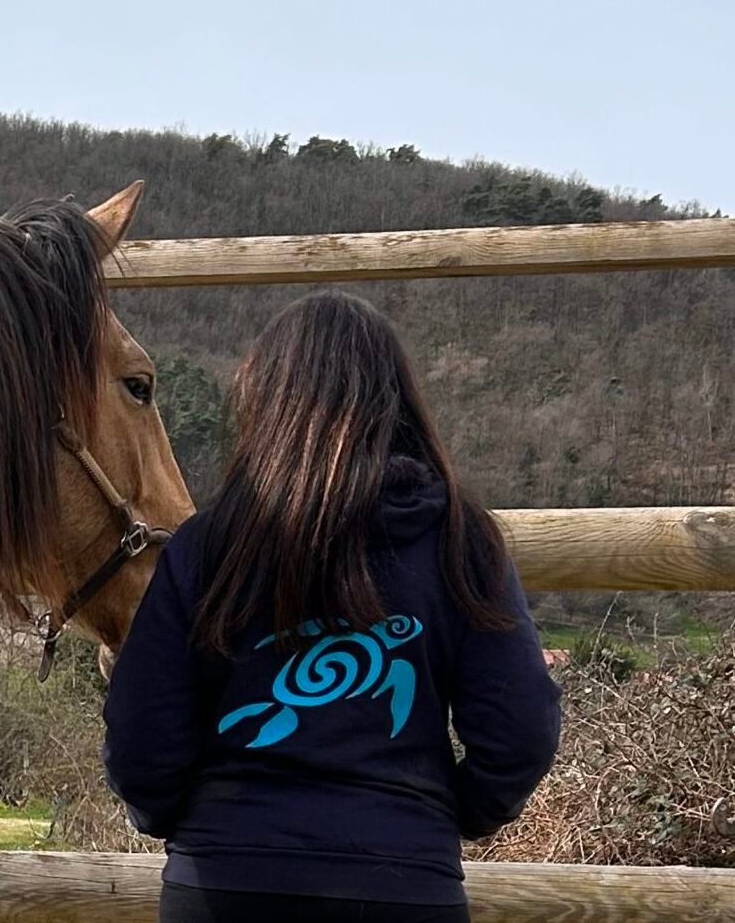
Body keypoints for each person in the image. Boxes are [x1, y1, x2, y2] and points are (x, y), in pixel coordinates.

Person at [103, 292, 562, 923]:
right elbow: (520, 730)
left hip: (225, 878)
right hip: (403, 883)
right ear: (400, 402)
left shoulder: (206, 546)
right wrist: (440, 816)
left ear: (263, 399)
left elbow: (141, 734)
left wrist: (178, 817)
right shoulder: (461, 540)